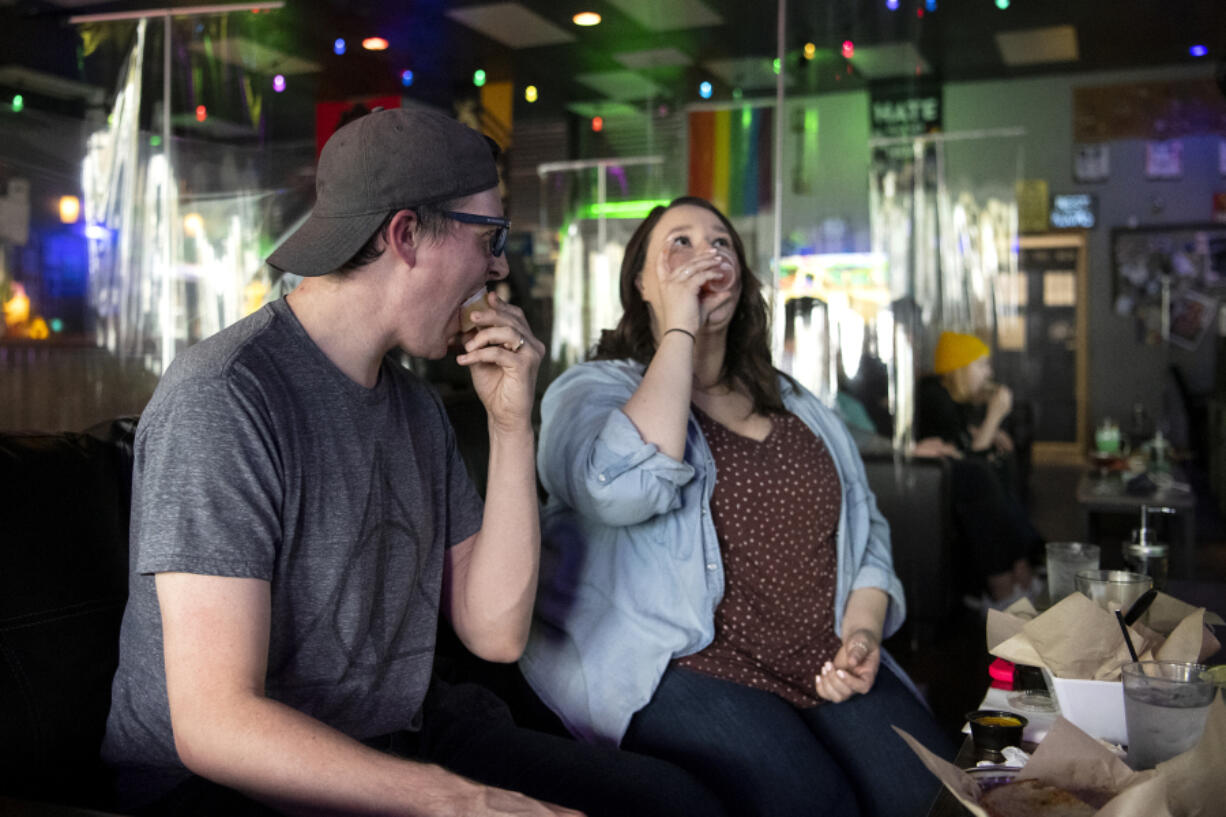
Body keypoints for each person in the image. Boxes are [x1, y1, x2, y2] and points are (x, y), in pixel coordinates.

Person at [100, 108, 727, 817]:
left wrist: (512, 423)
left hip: (397, 738)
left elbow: (494, 631)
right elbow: (216, 722)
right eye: (488, 236)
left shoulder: (417, 410)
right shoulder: (226, 396)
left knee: (672, 802)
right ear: (404, 235)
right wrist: (458, 800)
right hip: (222, 784)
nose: (497, 265)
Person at [520, 196, 954, 817]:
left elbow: (866, 531)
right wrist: (679, 330)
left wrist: (861, 631)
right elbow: (621, 490)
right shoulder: (591, 390)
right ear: (641, 283)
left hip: (820, 650)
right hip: (685, 662)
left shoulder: (796, 402)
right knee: (815, 802)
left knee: (932, 799)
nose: (708, 254)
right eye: (681, 243)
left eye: (721, 243)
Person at [916, 330, 1043, 607]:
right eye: (982, 364)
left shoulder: (953, 399)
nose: (989, 372)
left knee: (1000, 464)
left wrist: (983, 430)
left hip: (954, 478)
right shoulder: (934, 398)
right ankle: (1005, 589)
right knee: (984, 474)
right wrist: (994, 418)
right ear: (961, 368)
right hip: (934, 484)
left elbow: (964, 446)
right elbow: (970, 461)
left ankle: (1020, 574)